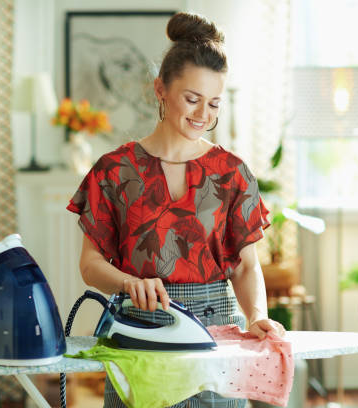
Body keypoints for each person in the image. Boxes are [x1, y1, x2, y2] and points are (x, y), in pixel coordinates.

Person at [67, 11, 285, 408]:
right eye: (192, 99)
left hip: (216, 339)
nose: (204, 115)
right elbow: (90, 264)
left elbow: (246, 266)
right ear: (160, 89)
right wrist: (128, 283)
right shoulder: (114, 171)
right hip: (140, 331)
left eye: (214, 103)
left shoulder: (232, 173)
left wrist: (255, 317)